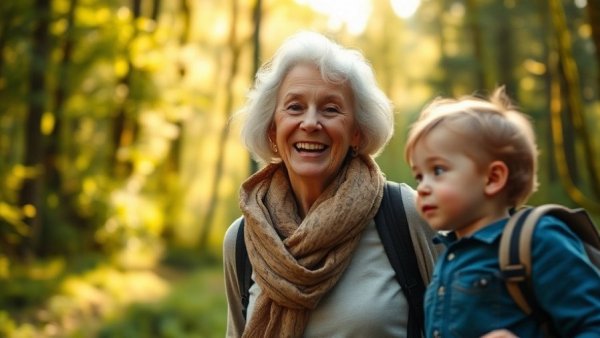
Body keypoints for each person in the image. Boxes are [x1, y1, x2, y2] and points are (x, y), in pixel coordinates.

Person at [222, 31, 440, 337]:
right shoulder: (244, 240)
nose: (310, 123)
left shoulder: (406, 216)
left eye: (331, 109)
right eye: (295, 107)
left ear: (357, 132)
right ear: (273, 128)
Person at [404, 86, 600, 337]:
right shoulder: (448, 257)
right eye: (419, 176)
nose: (422, 188)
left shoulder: (538, 241)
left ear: (493, 178)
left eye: (438, 171)